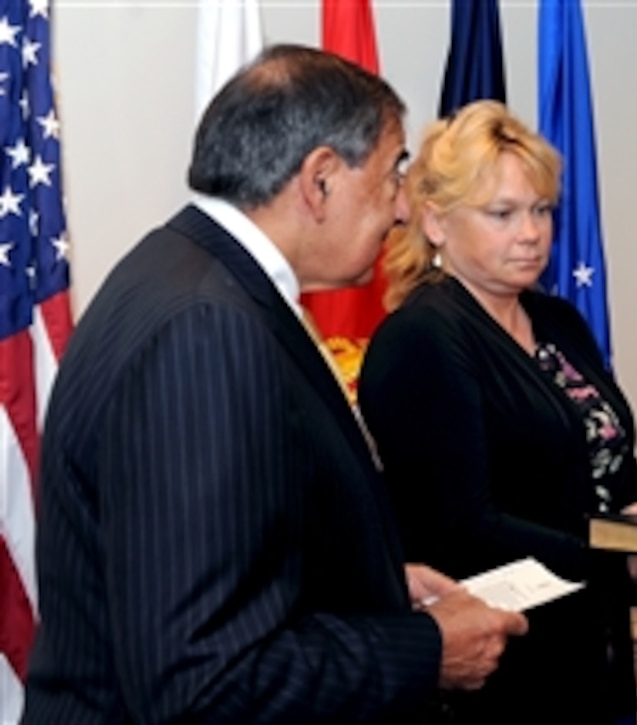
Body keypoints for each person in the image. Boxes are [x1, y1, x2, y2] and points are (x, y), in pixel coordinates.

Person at [23, 45, 527, 724]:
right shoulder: (206, 327)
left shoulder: (183, 271)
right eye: (391, 174)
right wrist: (425, 648)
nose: (403, 209)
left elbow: (215, 557)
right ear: (319, 180)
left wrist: (368, 584)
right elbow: (203, 681)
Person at [358, 100, 637, 724]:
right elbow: (460, 527)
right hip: (499, 673)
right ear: (436, 223)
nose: (531, 233)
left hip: (592, 648)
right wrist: (620, 558)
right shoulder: (423, 336)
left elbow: (605, 457)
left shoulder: (557, 320)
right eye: (503, 214)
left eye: (541, 210)